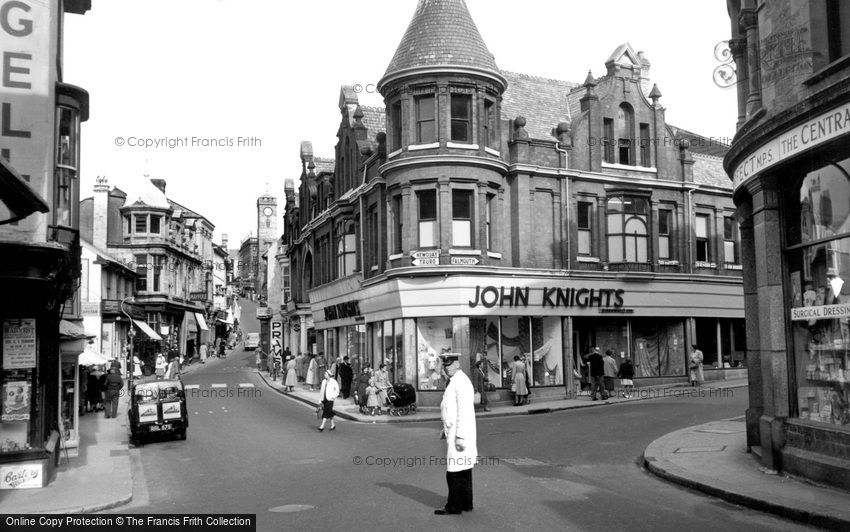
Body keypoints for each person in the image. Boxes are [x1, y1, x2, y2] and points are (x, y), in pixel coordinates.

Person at [435, 354, 477, 516]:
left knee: (453, 472)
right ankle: (466, 503)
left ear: (458, 364)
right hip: (457, 432)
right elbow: (451, 409)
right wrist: (445, 430)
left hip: (460, 435)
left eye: (450, 364)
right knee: (464, 469)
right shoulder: (457, 380)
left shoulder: (460, 382)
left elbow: (463, 412)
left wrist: (459, 435)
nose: (447, 367)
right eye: (445, 365)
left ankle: (453, 506)